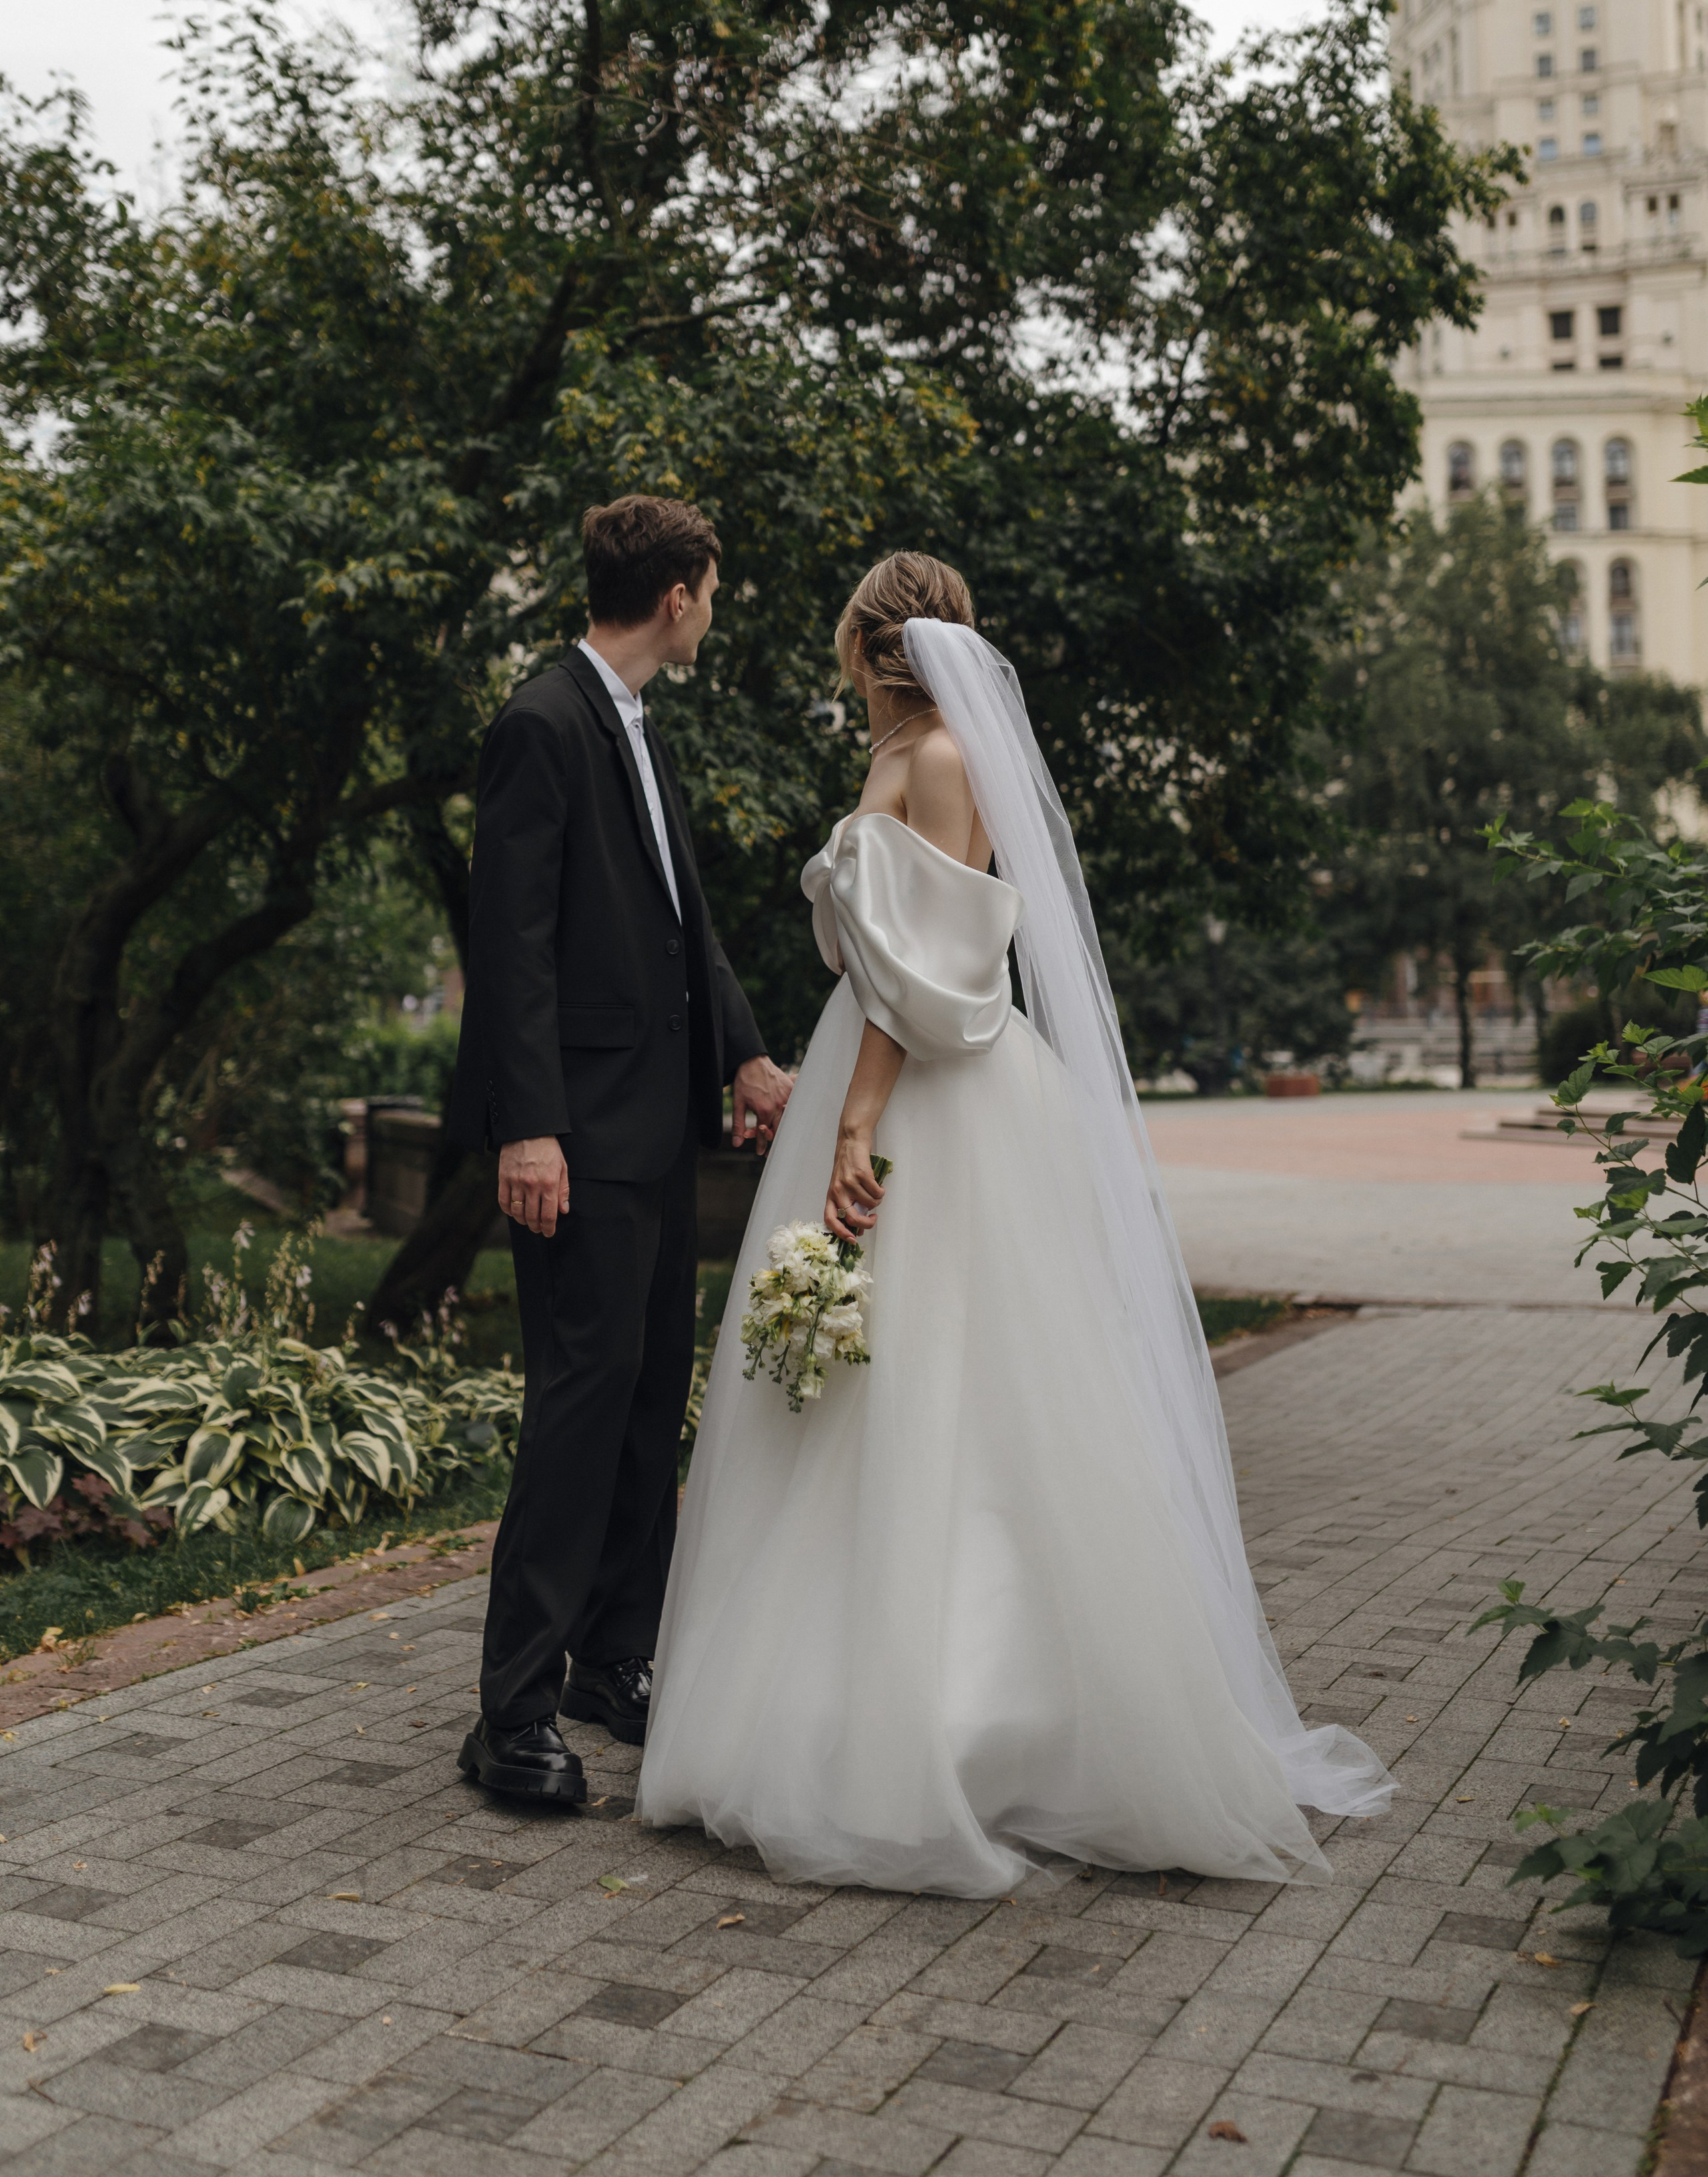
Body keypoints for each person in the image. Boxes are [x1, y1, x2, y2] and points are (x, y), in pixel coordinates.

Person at [637, 552, 1393, 1893]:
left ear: (865, 642)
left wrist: (857, 1118)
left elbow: (935, 971)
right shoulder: (907, 750)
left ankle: (962, 1724)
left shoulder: (940, 758)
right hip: (884, 1066)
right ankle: (841, 1699)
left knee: (949, 1385)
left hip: (925, 1091)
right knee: (873, 1390)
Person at [450, 494, 794, 1804]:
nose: (714, 612)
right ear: (675, 594)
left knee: (649, 1400)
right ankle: (511, 1715)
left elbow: (680, 926)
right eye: (713, 591)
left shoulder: (639, 726)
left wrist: (744, 1057)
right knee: (579, 1411)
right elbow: (510, 943)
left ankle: (611, 1659)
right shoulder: (541, 722)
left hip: (655, 1130)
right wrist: (528, 1125)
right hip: (576, 1141)